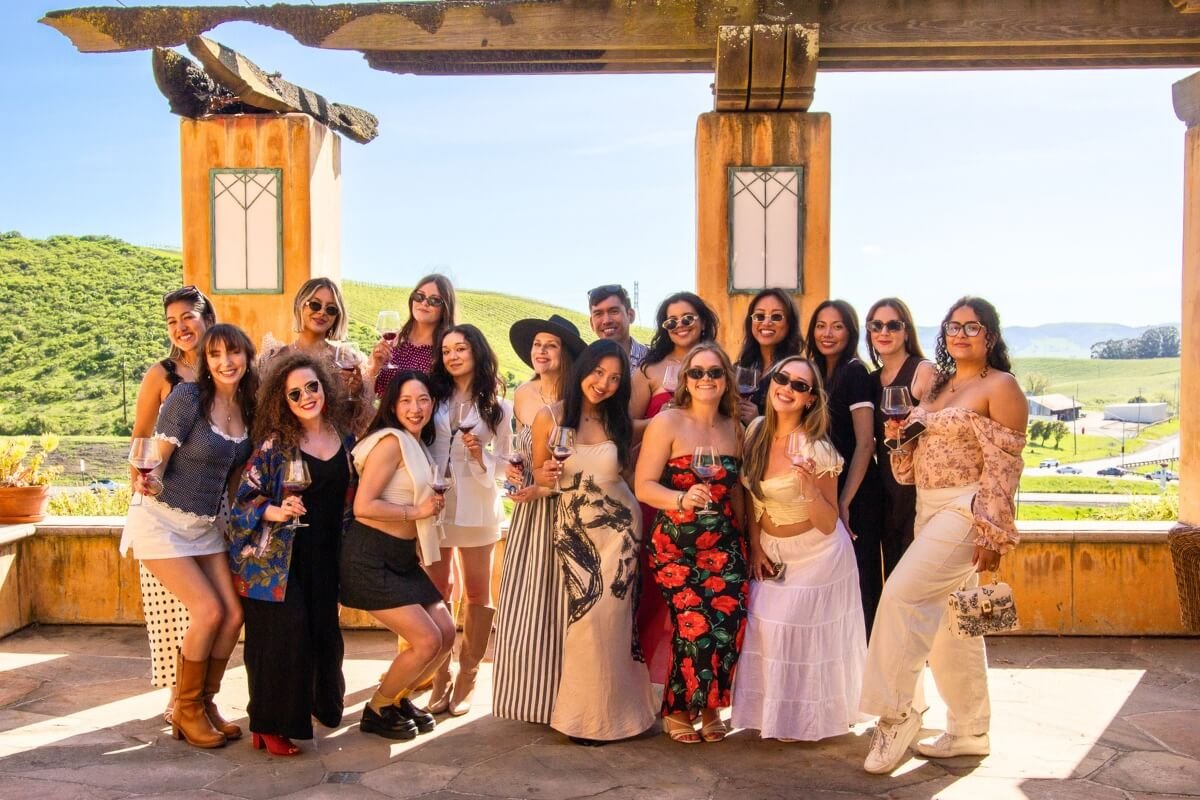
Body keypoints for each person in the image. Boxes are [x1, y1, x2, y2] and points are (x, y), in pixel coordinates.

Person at [859, 297, 1026, 775]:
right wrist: (901, 438)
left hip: (968, 506)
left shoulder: (1002, 386)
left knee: (901, 595)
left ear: (990, 335)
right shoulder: (936, 387)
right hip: (928, 507)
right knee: (955, 623)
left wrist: (992, 531)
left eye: (972, 327)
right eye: (953, 326)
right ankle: (971, 729)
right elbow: (909, 468)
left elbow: (1005, 465)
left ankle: (897, 713)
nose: (961, 334)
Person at [119, 324, 257, 749]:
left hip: (205, 526)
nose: (225, 363)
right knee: (209, 612)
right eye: (215, 355)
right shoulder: (187, 399)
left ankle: (205, 701)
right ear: (206, 361)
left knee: (234, 615)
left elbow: (234, 478)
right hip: (160, 520)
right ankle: (186, 707)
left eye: (233, 353)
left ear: (247, 357)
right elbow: (156, 460)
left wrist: (246, 523)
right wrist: (151, 480)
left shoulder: (247, 410)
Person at [731, 356, 866, 741]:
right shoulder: (755, 430)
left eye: (799, 385)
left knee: (792, 628)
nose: (787, 388)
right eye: (782, 379)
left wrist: (808, 487)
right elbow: (751, 496)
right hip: (772, 548)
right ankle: (769, 716)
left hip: (817, 553)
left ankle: (802, 722)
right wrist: (756, 547)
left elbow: (827, 523)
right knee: (761, 625)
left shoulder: (817, 448)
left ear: (810, 399)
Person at [228, 353, 356, 756]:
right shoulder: (276, 445)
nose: (305, 397)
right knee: (281, 640)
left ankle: (318, 707)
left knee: (322, 635)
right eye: (294, 393)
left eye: (312, 387)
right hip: (277, 559)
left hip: (325, 554)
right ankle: (268, 726)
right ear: (282, 401)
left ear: (325, 386)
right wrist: (277, 509)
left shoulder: (344, 438)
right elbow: (242, 500)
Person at [530, 339, 656, 744]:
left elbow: (666, 429)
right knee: (585, 621)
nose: (604, 383)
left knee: (614, 621)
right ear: (583, 368)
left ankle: (624, 716)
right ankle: (583, 718)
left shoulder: (622, 424)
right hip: (572, 527)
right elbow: (536, 479)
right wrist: (545, 476)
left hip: (620, 529)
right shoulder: (549, 418)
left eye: (615, 378)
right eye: (598, 372)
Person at [635, 343, 748, 745]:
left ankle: (713, 706)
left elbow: (736, 493)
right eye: (696, 373)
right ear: (685, 380)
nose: (705, 380)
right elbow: (644, 486)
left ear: (726, 380)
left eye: (714, 373)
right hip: (675, 544)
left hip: (725, 543)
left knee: (727, 627)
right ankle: (678, 709)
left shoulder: (734, 427)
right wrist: (680, 499)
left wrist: (748, 543)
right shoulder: (667, 422)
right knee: (693, 626)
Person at [341, 371, 456, 740]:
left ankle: (399, 696)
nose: (415, 407)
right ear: (392, 405)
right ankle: (378, 708)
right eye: (406, 400)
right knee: (426, 640)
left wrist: (426, 509)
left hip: (401, 556)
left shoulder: (415, 444)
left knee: (446, 633)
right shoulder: (390, 442)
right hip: (369, 555)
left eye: (423, 399)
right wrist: (416, 513)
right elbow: (363, 506)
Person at [127, 285, 216, 722]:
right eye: (171, 321)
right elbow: (141, 438)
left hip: (209, 515)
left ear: (207, 317)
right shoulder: (161, 375)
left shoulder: (227, 371)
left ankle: (195, 700)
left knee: (211, 612)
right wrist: (141, 488)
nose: (180, 327)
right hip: (162, 510)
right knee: (173, 612)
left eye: (188, 317)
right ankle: (178, 701)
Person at [492, 314, 586, 724]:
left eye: (551, 345)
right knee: (530, 601)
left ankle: (568, 699)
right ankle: (533, 699)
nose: (542, 351)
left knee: (566, 600)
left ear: (564, 353)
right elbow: (519, 448)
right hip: (531, 508)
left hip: (566, 502)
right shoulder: (523, 392)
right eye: (537, 345)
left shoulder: (579, 396)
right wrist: (516, 472)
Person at [627, 291, 720, 687]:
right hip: (657, 490)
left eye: (687, 318)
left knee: (704, 594)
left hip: (706, 490)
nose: (680, 326)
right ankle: (654, 681)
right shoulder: (648, 370)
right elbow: (625, 427)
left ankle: (696, 682)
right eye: (671, 321)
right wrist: (664, 421)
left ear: (701, 320)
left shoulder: (716, 365)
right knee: (657, 590)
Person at [424, 324, 512, 716]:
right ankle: (439, 676)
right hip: (435, 504)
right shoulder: (432, 397)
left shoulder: (498, 406)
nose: (453, 355)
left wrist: (480, 456)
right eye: (446, 350)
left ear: (476, 351)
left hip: (477, 503)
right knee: (436, 592)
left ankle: (468, 675)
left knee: (478, 593)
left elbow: (507, 465)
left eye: (461, 348)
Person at [806, 299, 884, 636]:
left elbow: (865, 443)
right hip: (829, 494)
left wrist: (844, 502)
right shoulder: (816, 373)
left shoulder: (854, 372)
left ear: (850, 331)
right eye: (821, 326)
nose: (827, 333)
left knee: (862, 583)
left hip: (858, 496)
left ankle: (868, 670)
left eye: (837, 326)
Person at [865, 298, 935, 578]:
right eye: (876, 325)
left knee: (915, 576)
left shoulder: (923, 371)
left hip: (916, 489)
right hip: (884, 491)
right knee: (891, 575)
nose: (884, 332)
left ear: (907, 331)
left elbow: (935, 425)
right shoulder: (871, 381)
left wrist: (905, 432)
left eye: (893, 325)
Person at [260, 277, 372, 436]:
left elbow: (359, 422)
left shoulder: (347, 359)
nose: (322, 312)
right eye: (315, 304)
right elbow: (264, 414)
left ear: (336, 317)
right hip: (289, 449)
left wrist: (356, 393)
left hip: (336, 450)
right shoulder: (274, 359)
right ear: (300, 305)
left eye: (331, 309)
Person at [368, 274, 456, 395]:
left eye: (434, 300)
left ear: (445, 308)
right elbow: (366, 393)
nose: (424, 303)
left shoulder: (446, 349)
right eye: (419, 296)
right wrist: (375, 367)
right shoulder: (392, 340)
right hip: (385, 414)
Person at [734, 288, 804, 424]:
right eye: (759, 316)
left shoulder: (797, 373)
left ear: (790, 323)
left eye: (776, 317)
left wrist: (758, 421)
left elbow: (801, 424)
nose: (766, 323)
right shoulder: (739, 367)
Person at [588, 284, 648, 368]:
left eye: (614, 311)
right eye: (598, 314)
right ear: (591, 323)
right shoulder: (585, 363)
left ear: (630, 315)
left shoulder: (653, 360)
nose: (606, 321)